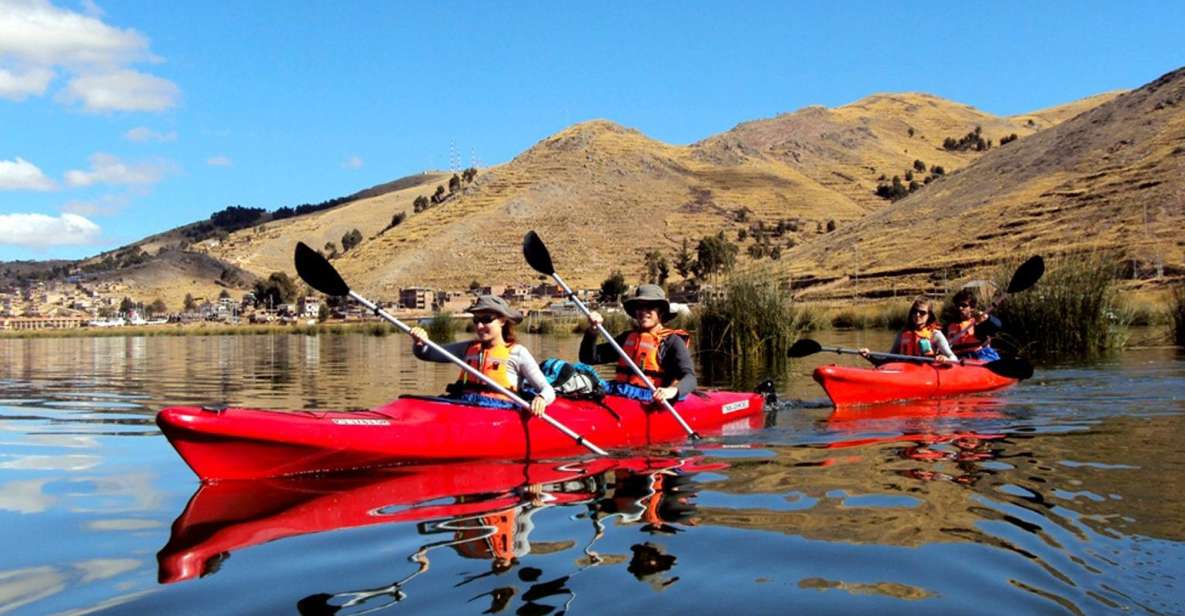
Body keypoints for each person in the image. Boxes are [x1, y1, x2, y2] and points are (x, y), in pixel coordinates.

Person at [409, 295, 553, 416]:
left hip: (500, 411)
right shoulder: (467, 348)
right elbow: (426, 354)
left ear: (502, 320)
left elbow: (547, 390)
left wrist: (541, 399)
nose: (479, 326)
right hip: (464, 404)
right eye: (476, 320)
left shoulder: (517, 353)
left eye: (486, 319)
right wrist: (420, 343)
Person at [580, 284, 696, 402]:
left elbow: (690, 377)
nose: (643, 312)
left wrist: (672, 390)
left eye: (650, 307)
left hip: (651, 398)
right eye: (639, 307)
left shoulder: (672, 341)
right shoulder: (627, 338)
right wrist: (592, 331)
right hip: (620, 393)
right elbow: (588, 358)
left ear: (660, 311)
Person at [860, 297, 957, 363]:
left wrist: (946, 359)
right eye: (915, 311)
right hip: (905, 370)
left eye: (922, 312)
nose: (917, 315)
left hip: (926, 372)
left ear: (929, 316)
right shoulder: (902, 334)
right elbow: (887, 360)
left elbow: (954, 358)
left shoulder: (936, 334)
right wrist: (869, 356)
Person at [945, 289, 1002, 361]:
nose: (960, 308)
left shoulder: (978, 322)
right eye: (958, 305)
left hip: (979, 356)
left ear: (972, 307)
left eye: (964, 305)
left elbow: (998, 325)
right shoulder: (949, 326)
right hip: (958, 359)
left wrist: (987, 318)